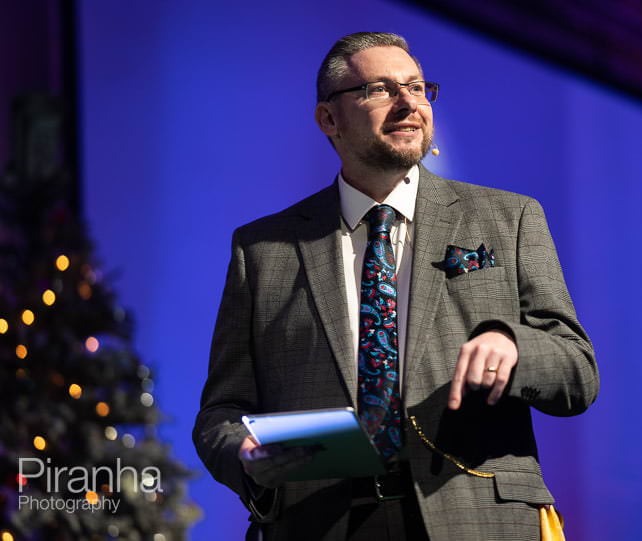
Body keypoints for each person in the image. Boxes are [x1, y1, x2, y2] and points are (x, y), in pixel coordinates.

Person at [193, 32, 598, 541]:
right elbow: (221, 414)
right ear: (328, 119)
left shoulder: (508, 218)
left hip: (477, 516)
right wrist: (246, 455)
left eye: (418, 87)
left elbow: (577, 371)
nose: (409, 103)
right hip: (320, 522)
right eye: (381, 89)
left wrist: (514, 346)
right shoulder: (263, 249)